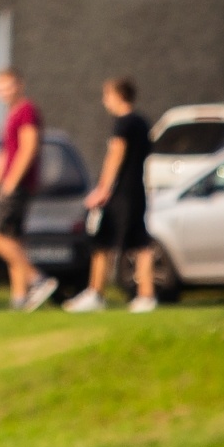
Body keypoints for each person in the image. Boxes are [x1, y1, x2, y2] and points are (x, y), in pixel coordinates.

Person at [64, 78, 157, 314]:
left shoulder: (124, 124)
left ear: (118, 96)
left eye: (107, 95)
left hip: (121, 193)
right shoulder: (142, 122)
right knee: (110, 242)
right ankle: (97, 293)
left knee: (131, 243)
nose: (105, 100)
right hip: (136, 189)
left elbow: (115, 156)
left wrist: (102, 189)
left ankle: (143, 295)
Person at [0, 68, 58, 312]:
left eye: (8, 86)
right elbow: (4, 155)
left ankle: (38, 279)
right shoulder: (11, 114)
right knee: (13, 240)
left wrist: (11, 182)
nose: (4, 92)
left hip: (18, 185)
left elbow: (29, 147)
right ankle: (20, 298)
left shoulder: (26, 110)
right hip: (7, 184)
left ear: (20, 85)